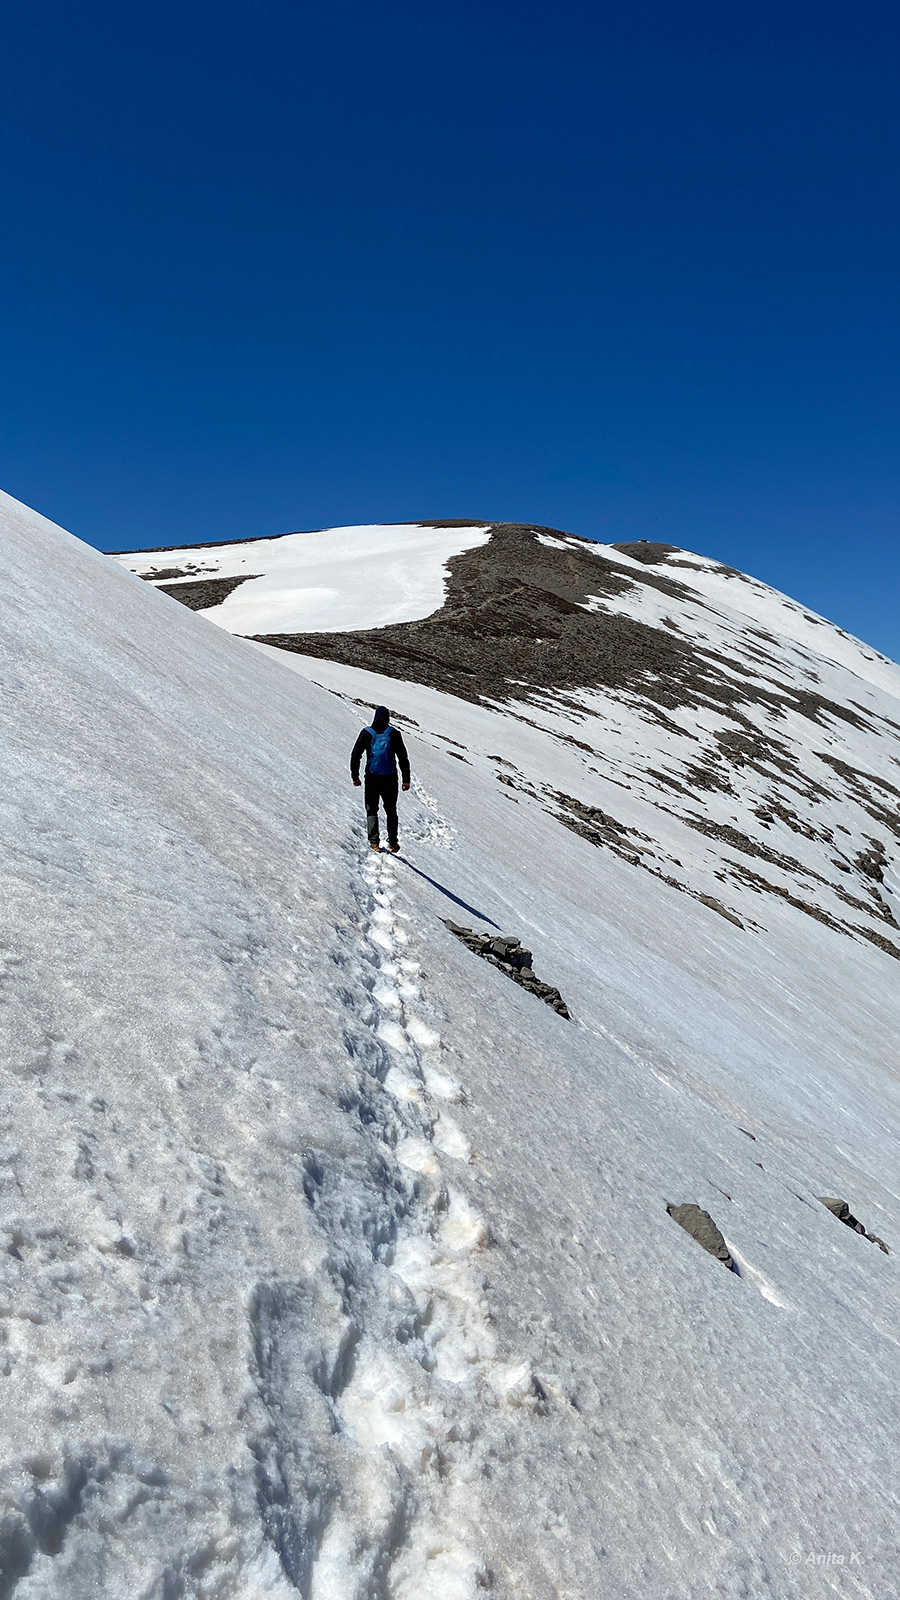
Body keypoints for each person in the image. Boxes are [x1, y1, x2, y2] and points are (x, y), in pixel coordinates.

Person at [350, 706, 411, 853]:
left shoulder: (366, 733)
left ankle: (374, 842)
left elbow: (355, 755)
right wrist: (406, 779)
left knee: (372, 809)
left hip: (372, 779)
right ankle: (393, 842)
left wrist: (355, 776)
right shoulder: (394, 734)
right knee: (391, 810)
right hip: (390, 779)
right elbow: (403, 757)